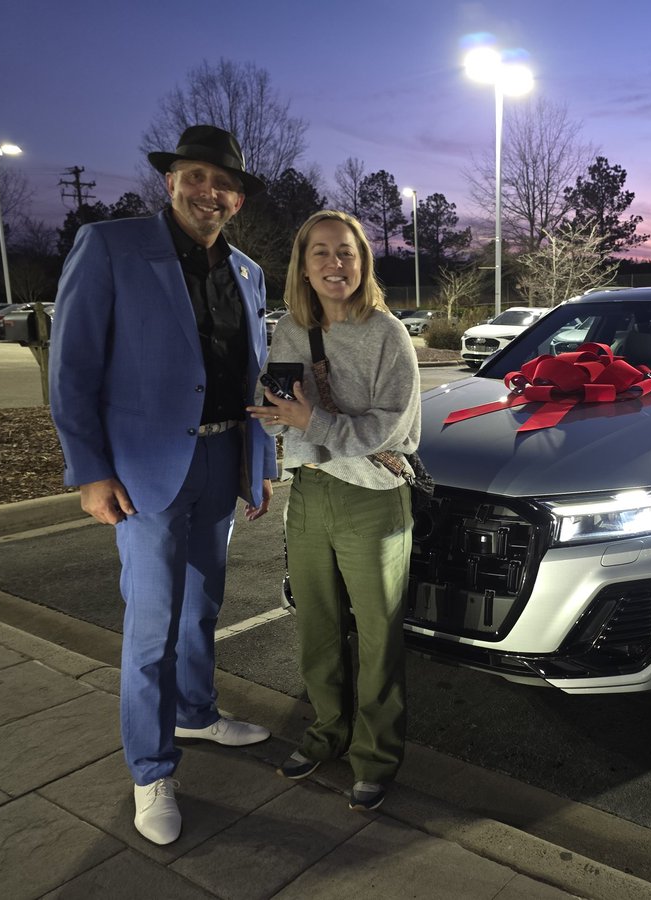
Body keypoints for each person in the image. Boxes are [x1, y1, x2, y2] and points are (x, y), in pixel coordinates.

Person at [49, 125, 277, 846]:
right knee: (152, 628)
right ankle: (151, 769)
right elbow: (73, 367)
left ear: (237, 201)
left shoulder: (247, 272)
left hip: (221, 458)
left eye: (224, 184)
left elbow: (251, 375)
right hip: (144, 469)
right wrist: (89, 470)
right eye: (197, 176)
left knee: (204, 606)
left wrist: (260, 464)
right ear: (171, 180)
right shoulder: (110, 247)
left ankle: (196, 713)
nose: (210, 192)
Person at [246, 210, 420, 812]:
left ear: (362, 261)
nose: (334, 263)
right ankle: (326, 733)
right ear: (303, 265)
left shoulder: (387, 334)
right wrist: (273, 416)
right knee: (316, 625)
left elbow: (389, 428)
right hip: (309, 490)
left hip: (371, 497)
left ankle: (375, 756)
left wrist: (310, 421)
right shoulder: (293, 331)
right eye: (319, 252)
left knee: (376, 635)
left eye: (345, 251)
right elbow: (283, 415)